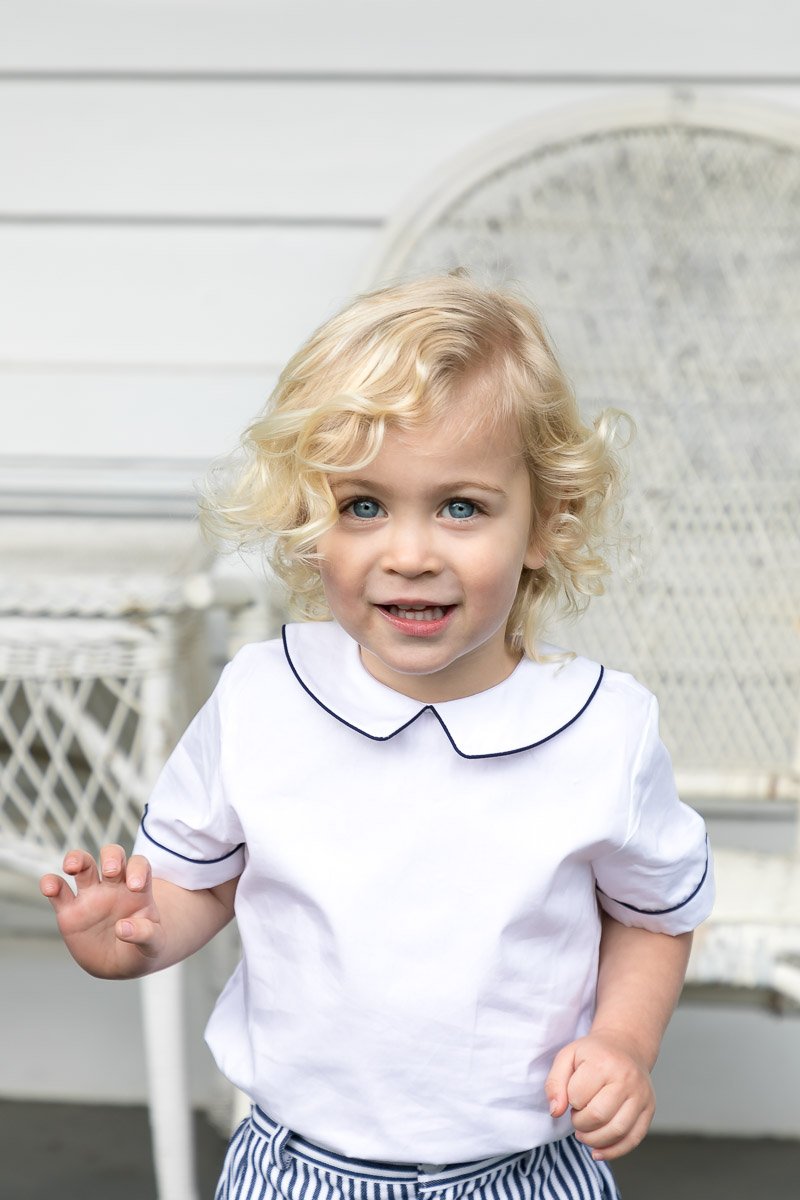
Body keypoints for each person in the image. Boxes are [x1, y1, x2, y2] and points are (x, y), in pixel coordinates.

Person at [41, 273, 714, 1200]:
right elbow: (202, 884)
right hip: (298, 1166)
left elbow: (653, 916)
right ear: (314, 522)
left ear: (543, 525)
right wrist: (128, 936)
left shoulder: (604, 731)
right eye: (365, 506)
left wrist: (623, 1043)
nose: (409, 552)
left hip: (521, 1170)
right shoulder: (263, 698)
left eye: (461, 507)